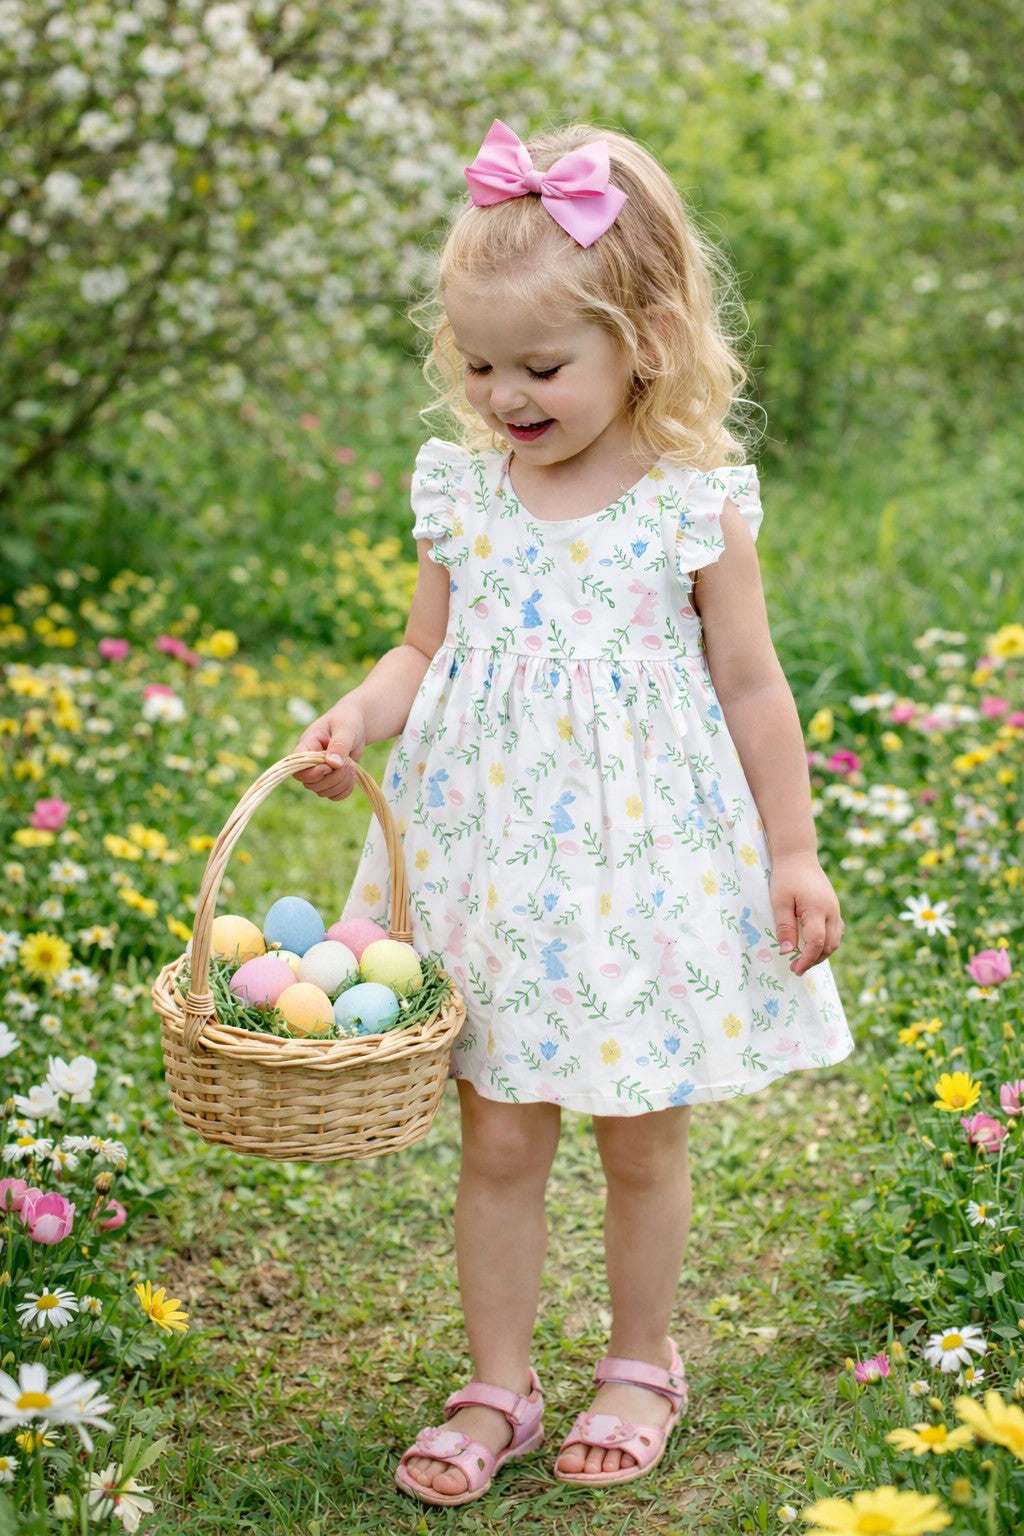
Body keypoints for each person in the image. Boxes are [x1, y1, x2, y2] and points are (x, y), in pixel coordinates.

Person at [293, 118, 853, 1506]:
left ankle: (640, 1360)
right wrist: (358, 717)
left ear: (647, 337)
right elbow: (419, 652)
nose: (503, 396)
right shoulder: (466, 496)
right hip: (494, 859)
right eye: (479, 365)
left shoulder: (689, 507)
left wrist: (792, 847)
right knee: (497, 1128)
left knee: (638, 1126)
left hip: (639, 863)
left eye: (541, 366)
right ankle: (497, 1380)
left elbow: (751, 683)